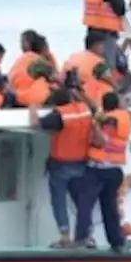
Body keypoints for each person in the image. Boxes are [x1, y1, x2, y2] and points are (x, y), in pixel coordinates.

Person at [30, 88, 94, 247]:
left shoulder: (60, 115)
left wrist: (33, 109)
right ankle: (86, 235)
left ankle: (65, 236)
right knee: (81, 202)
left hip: (61, 167)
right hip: (81, 164)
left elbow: (36, 123)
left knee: (59, 202)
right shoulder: (84, 110)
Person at [78, 92, 131, 253]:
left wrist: (94, 127)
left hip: (98, 168)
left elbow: (102, 141)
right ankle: (116, 241)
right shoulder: (125, 118)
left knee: (85, 204)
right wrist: (82, 93)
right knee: (109, 208)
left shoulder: (107, 121)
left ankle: (82, 237)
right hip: (115, 170)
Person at [83, 0, 129, 77]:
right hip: (106, 32)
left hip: (92, 30)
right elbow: (120, 9)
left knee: (93, 63)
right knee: (108, 67)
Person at [9, 31, 61, 108]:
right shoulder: (38, 61)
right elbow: (56, 79)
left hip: (18, 97)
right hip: (34, 100)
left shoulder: (22, 59)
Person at [63, 33, 116, 106]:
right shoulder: (96, 61)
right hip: (88, 98)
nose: (103, 48)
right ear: (95, 45)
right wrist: (119, 89)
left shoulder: (74, 56)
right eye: (101, 45)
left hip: (69, 94)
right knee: (106, 85)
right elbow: (108, 78)